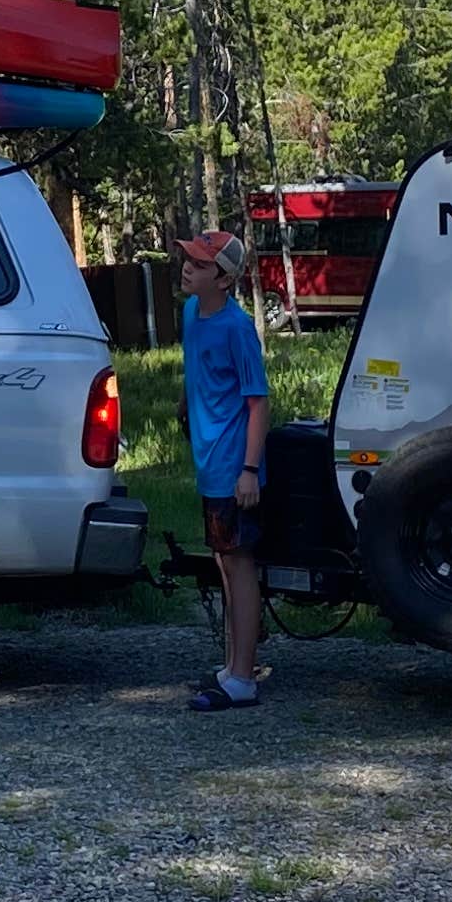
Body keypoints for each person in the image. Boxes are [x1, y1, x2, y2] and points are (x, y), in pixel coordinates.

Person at [178, 227, 273, 712]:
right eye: (188, 258)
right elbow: (196, 372)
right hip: (208, 462)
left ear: (223, 278)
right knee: (223, 561)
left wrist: (249, 469)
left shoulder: (237, 328)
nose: (187, 267)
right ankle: (233, 665)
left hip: (233, 466)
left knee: (239, 566)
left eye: (199, 263)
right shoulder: (191, 312)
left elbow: (258, 403)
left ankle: (242, 678)